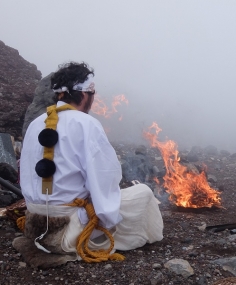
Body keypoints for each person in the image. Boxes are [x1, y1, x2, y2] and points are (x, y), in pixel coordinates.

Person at [17, 62, 163, 264]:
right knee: (143, 193)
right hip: (69, 227)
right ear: (85, 95)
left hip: (36, 222)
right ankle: (132, 239)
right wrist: (105, 215)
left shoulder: (35, 124)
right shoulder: (86, 124)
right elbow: (104, 178)